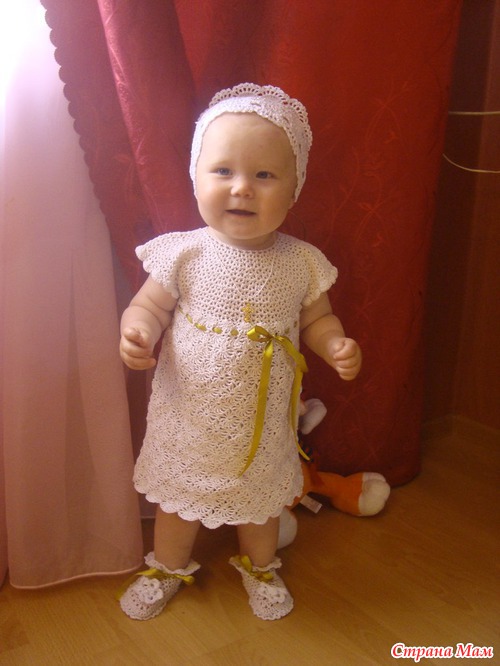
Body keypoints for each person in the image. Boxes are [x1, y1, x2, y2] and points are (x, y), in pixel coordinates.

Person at [118, 83, 362, 621]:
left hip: (261, 421)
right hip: (190, 418)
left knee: (260, 502)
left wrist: (334, 344)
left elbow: (317, 320)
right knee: (178, 500)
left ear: (294, 191)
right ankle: (167, 567)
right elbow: (149, 306)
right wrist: (137, 331)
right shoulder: (185, 252)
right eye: (223, 171)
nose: (242, 188)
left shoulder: (300, 263)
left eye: (265, 175)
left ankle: (261, 566)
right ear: (196, 178)